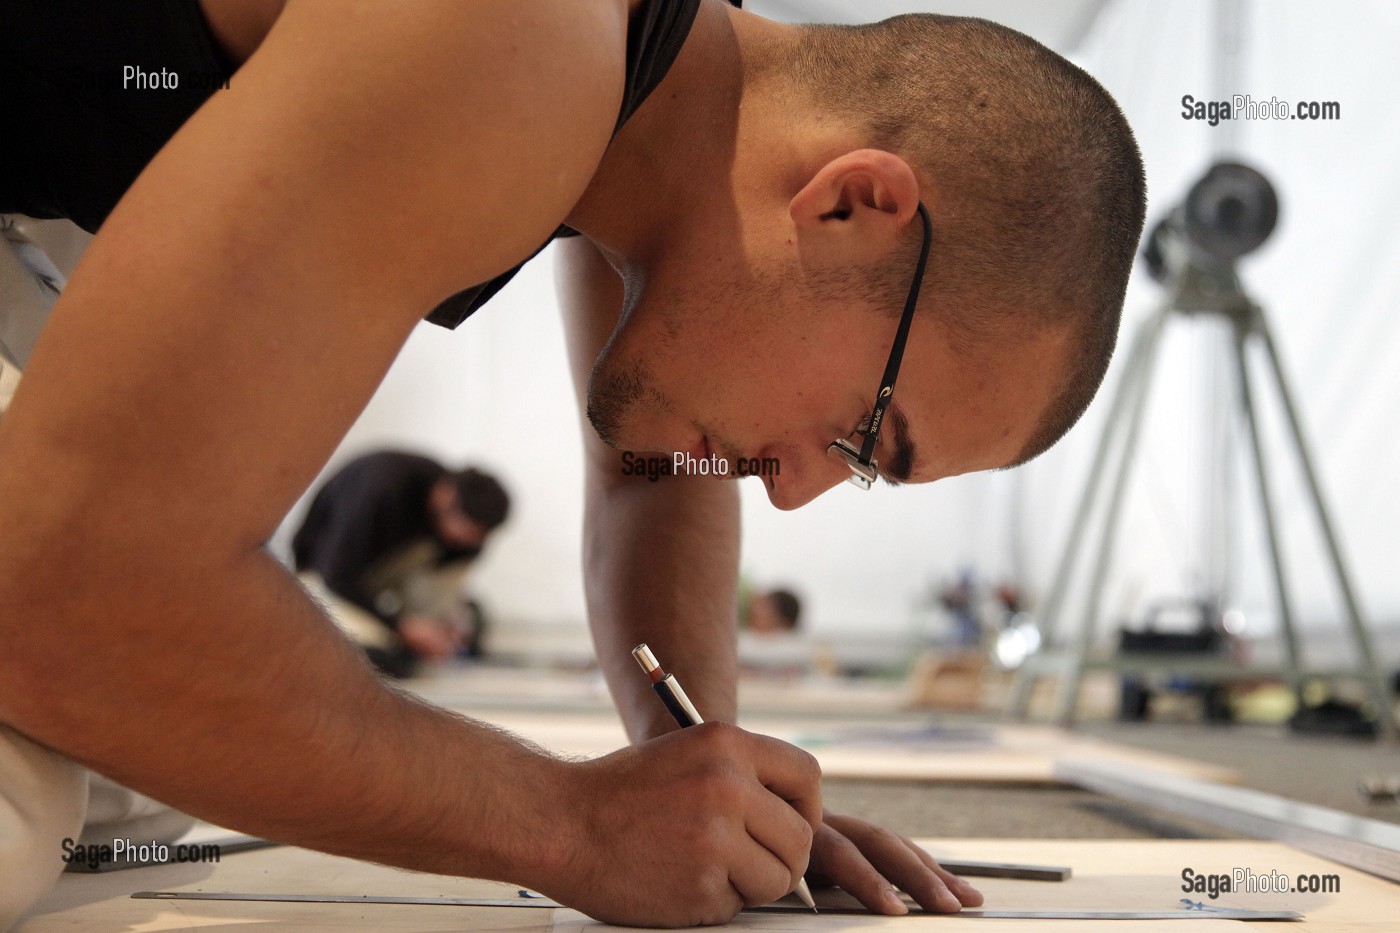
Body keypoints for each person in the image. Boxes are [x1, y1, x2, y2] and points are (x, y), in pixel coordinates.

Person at [0, 0, 1146, 927]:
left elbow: (645, 468)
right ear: (851, 203)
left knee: (131, 790)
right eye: (867, 434)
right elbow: (70, 604)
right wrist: (570, 824)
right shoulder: (512, 37)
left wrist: (702, 781)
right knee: (30, 803)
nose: (795, 488)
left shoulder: (661, 92)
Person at [292, 451, 510, 676]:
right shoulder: (383, 486)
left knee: (450, 629)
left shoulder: (463, 529)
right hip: (325, 576)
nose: (468, 542)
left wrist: (444, 625)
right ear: (446, 497)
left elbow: (449, 574)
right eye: (466, 531)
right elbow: (336, 573)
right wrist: (401, 626)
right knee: (374, 658)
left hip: (382, 579)